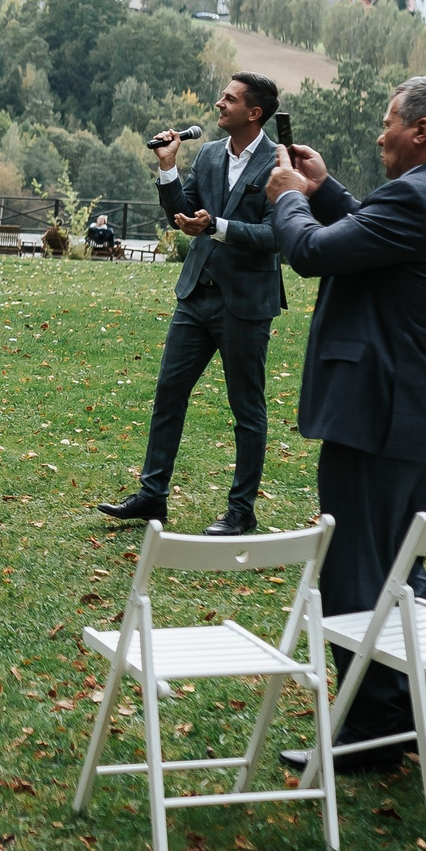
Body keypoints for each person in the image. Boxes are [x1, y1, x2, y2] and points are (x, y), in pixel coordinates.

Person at [263, 75, 426, 771]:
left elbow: (312, 253)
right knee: (402, 568)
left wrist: (286, 200)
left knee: (355, 574)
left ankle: (372, 728)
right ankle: (411, 702)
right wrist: (328, 191)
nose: (380, 133)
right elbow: (383, 237)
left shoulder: (416, 197)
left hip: (374, 413)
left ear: (421, 130)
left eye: (389, 121)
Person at [98, 74, 288, 536]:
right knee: (169, 392)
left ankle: (242, 511)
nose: (218, 103)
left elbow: (276, 235)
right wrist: (168, 168)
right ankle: (152, 496)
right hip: (196, 294)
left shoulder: (279, 163)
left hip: (246, 302)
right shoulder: (206, 154)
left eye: (230, 98)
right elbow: (182, 212)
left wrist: (216, 225)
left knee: (247, 409)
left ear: (254, 113)